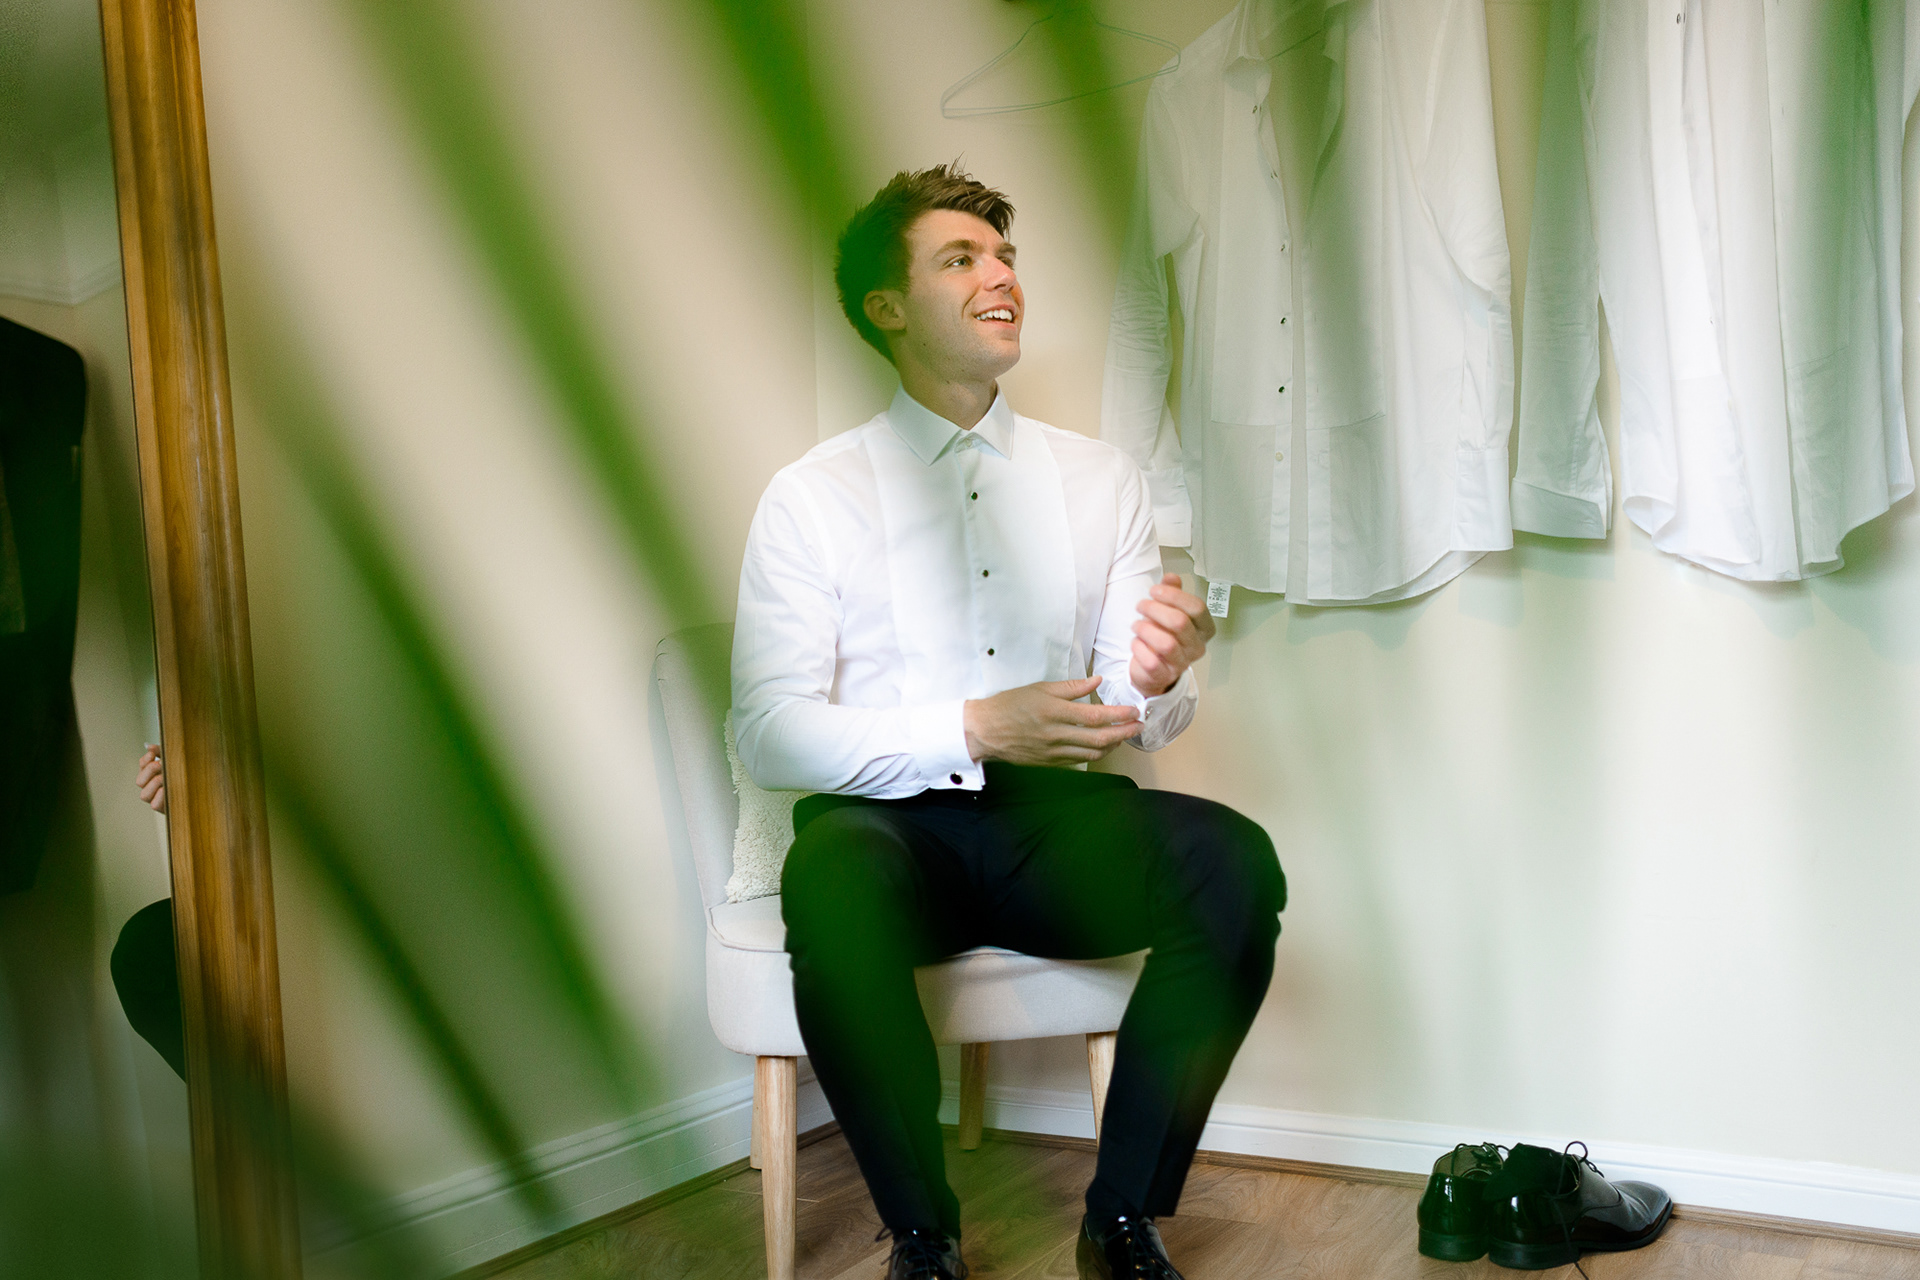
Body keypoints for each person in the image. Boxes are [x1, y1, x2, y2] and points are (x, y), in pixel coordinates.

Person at [732, 164, 1286, 1280]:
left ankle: (1121, 1219)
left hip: (1055, 829)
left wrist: (1158, 674)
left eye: (1006, 257)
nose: (1001, 278)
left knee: (1233, 861)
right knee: (830, 876)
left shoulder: (1102, 479)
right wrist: (974, 727)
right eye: (961, 259)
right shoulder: (812, 495)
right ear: (887, 307)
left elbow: (1136, 711)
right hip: (890, 829)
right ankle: (922, 1237)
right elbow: (769, 734)